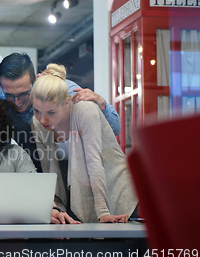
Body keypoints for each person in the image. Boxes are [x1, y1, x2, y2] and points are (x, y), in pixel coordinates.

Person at [30, 63, 138, 223]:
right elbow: (50, 172)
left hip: (117, 188)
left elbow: (94, 163)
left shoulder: (85, 111)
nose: (43, 119)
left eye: (51, 112)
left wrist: (102, 212)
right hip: (84, 196)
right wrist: (57, 209)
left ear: (66, 103)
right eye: (37, 111)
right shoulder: (37, 123)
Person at [0, 53, 121, 171]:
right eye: (9, 95)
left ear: (35, 81)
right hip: (34, 172)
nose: (17, 101)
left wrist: (101, 105)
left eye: (23, 94)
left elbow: (114, 128)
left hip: (75, 172)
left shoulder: (61, 91)